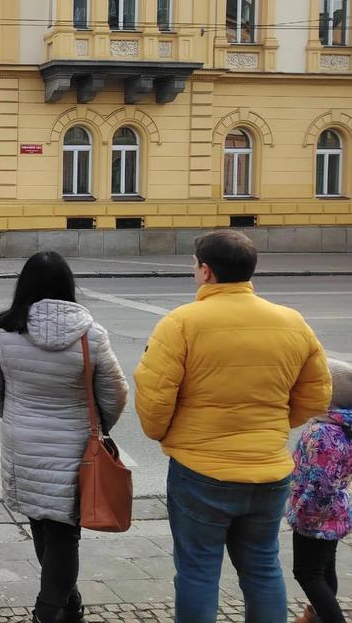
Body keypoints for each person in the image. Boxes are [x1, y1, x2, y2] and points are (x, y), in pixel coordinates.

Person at [134, 229, 331, 623]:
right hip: (269, 470)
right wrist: (273, 428)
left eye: (195, 265)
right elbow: (315, 397)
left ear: (206, 271)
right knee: (262, 566)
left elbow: (154, 401)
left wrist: (164, 434)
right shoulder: (292, 322)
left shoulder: (181, 324)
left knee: (197, 571)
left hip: (200, 472)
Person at [0, 251, 128, 623]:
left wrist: (15, 416)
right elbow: (116, 393)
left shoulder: (5, 331)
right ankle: (50, 611)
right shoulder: (91, 335)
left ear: (23, 286)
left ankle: (65, 603)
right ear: (68, 286)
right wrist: (99, 426)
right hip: (74, 447)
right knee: (63, 533)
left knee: (43, 526)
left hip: (23, 444)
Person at [287, 359, 352, 623]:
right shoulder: (340, 426)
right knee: (324, 570)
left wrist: (302, 512)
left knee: (307, 573)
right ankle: (315, 618)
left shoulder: (324, 432)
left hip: (316, 516)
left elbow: (321, 483)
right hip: (335, 513)